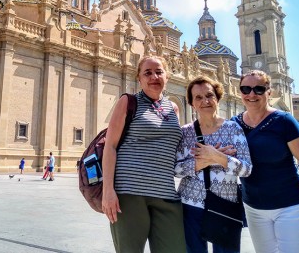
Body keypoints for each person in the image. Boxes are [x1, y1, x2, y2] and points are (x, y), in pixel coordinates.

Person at [232, 70, 299, 253]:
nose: (252, 94)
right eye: (246, 89)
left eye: (259, 89)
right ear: (240, 92)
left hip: (290, 206)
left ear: (269, 92)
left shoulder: (284, 121)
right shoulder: (233, 125)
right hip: (254, 208)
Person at [102, 55, 187, 253]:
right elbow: (110, 146)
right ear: (139, 79)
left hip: (166, 195)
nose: (153, 77)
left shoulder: (173, 109)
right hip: (129, 195)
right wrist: (108, 190)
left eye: (159, 72)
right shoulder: (128, 102)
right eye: (147, 73)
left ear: (167, 76)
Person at [175, 75, 252, 253]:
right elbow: (175, 169)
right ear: (192, 103)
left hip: (225, 204)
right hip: (190, 204)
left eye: (209, 95)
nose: (205, 101)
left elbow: (247, 168)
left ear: (217, 98)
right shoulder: (185, 132)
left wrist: (217, 157)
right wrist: (202, 161)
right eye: (198, 98)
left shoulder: (233, 129)